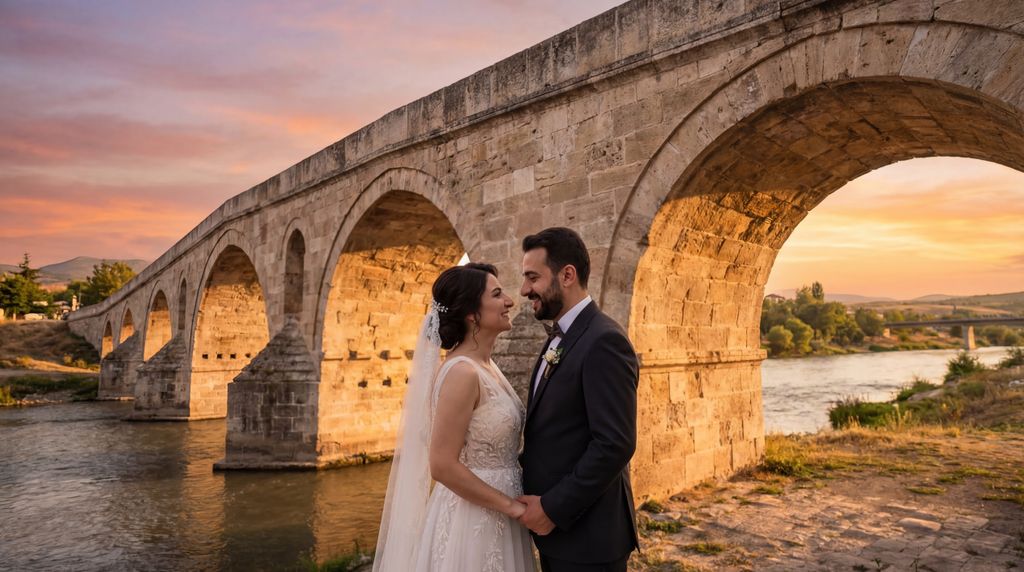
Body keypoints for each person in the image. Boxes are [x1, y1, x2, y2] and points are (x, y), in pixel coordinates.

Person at [373, 262, 537, 572]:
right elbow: (442, 465)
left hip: (500, 512)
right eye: (498, 294)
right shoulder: (462, 373)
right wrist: (512, 508)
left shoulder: (486, 366)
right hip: (473, 518)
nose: (510, 302)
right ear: (472, 314)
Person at [517, 227, 640, 572]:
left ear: (567, 275)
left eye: (532, 277)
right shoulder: (560, 336)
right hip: (560, 535)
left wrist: (552, 509)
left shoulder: (604, 341)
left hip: (589, 539)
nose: (525, 290)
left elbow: (614, 443)